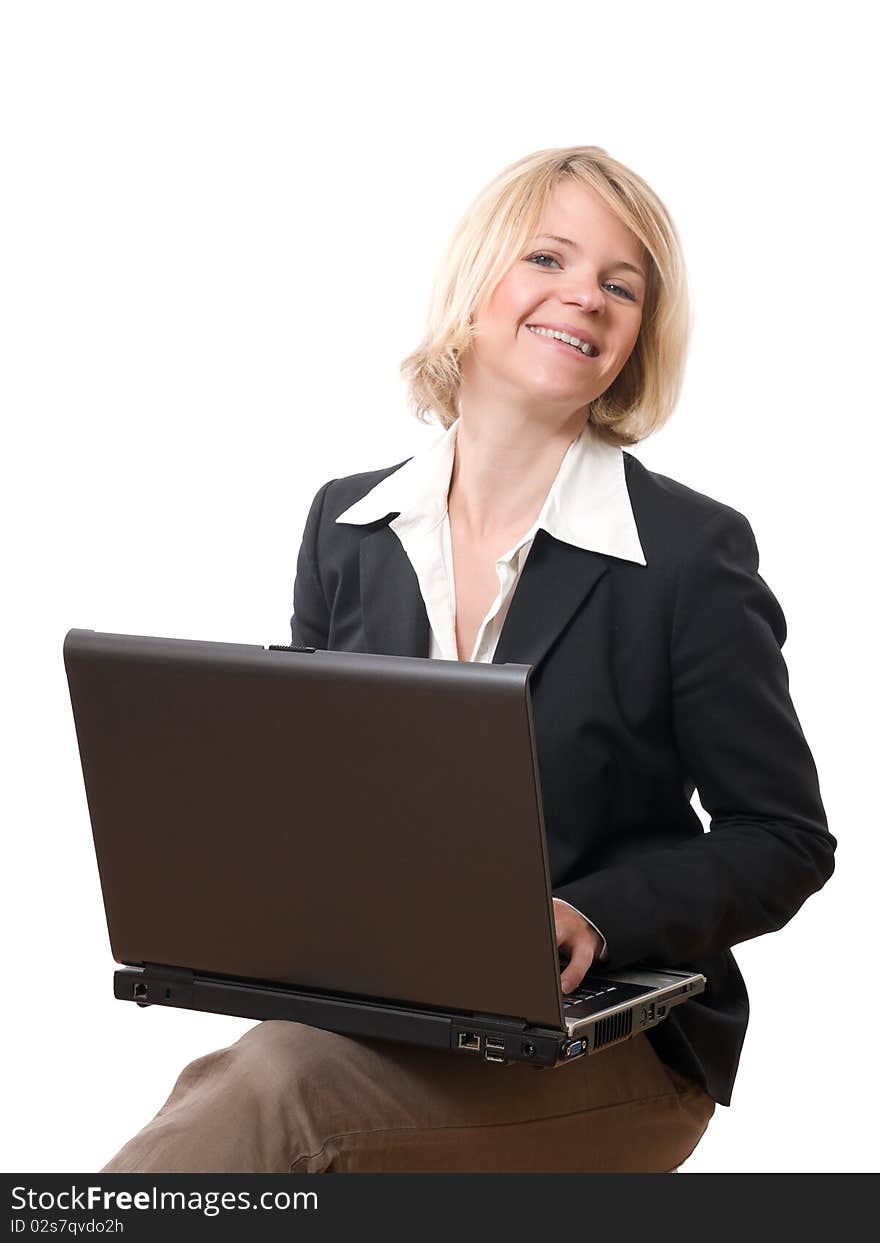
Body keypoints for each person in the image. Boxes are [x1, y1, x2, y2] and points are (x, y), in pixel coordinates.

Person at [101, 145, 835, 1173]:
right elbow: (320, 796)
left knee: (280, 1095)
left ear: (634, 335)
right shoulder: (346, 526)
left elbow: (785, 837)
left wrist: (592, 913)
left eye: (621, 286)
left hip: (613, 1044)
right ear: (476, 285)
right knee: (260, 1076)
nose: (585, 295)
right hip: (399, 1012)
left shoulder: (683, 557)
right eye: (548, 258)